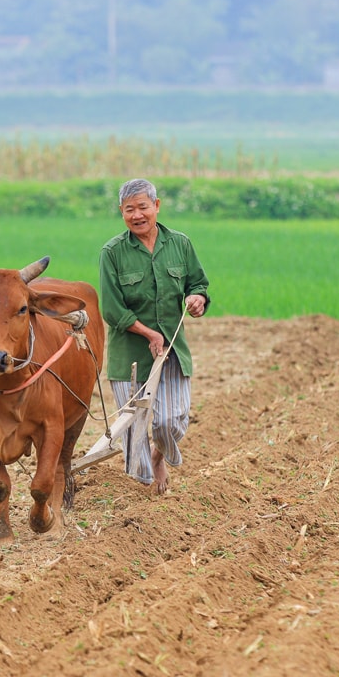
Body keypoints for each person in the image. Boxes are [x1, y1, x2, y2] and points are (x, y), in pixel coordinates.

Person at [99, 178, 210, 495]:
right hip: (129, 357)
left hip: (172, 351)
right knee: (134, 434)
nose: (137, 215)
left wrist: (198, 299)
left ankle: (159, 454)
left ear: (156, 206)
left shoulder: (180, 244)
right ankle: (143, 502)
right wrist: (147, 332)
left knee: (171, 423)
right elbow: (111, 309)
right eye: (129, 209)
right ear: (121, 212)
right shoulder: (112, 253)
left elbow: (197, 284)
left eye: (143, 207)